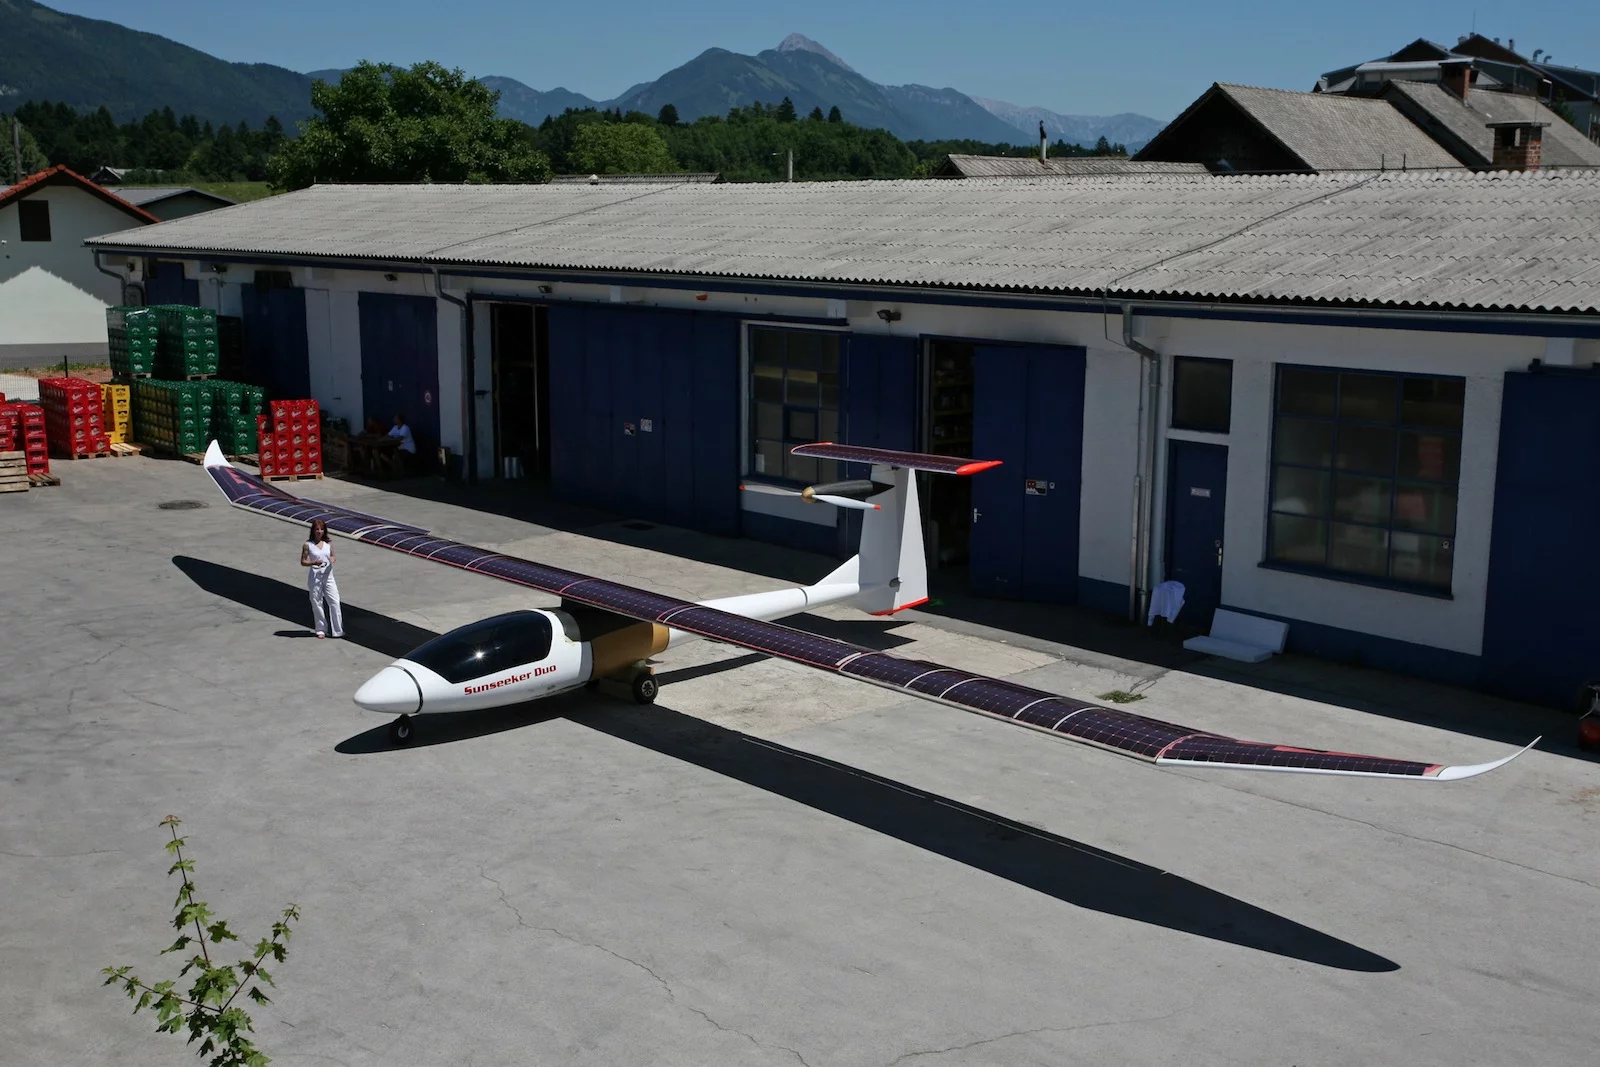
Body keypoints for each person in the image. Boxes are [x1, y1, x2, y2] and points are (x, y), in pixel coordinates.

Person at [300, 519, 344, 639]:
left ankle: (337, 630)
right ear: (313, 531)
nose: (319, 531)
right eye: (317, 529)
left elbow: (333, 556)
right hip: (315, 577)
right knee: (316, 602)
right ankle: (320, 629)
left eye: (321, 529)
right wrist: (313, 562)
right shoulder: (308, 545)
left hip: (328, 576)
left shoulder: (328, 544)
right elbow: (303, 561)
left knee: (334, 601)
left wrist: (332, 560)